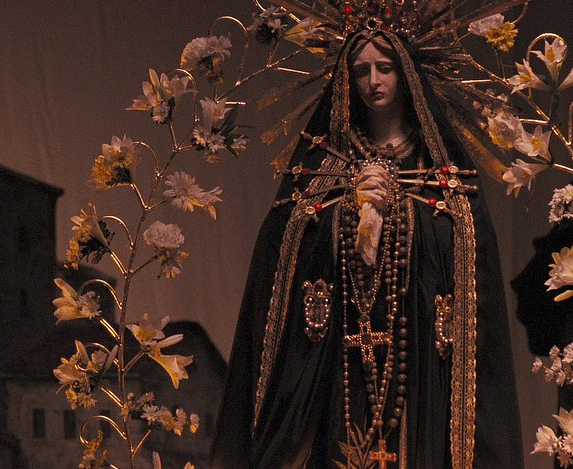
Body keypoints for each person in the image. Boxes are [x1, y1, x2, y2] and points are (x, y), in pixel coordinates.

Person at [211, 28, 523, 468]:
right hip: (337, 354)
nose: (373, 81)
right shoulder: (327, 163)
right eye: (361, 71)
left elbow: (464, 247)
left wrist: (399, 209)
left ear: (406, 74)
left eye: (385, 68)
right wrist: (347, 210)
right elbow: (285, 244)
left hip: (417, 351)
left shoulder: (436, 165)